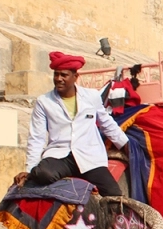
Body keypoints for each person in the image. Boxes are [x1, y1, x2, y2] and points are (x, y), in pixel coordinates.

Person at [12, 51, 128, 196]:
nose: (59, 79)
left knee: (113, 193)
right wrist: (30, 170)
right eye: (56, 74)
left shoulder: (91, 96)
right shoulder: (44, 101)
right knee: (42, 174)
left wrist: (124, 144)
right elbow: (37, 137)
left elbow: (106, 123)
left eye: (64, 75)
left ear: (75, 77)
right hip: (59, 156)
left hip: (89, 156)